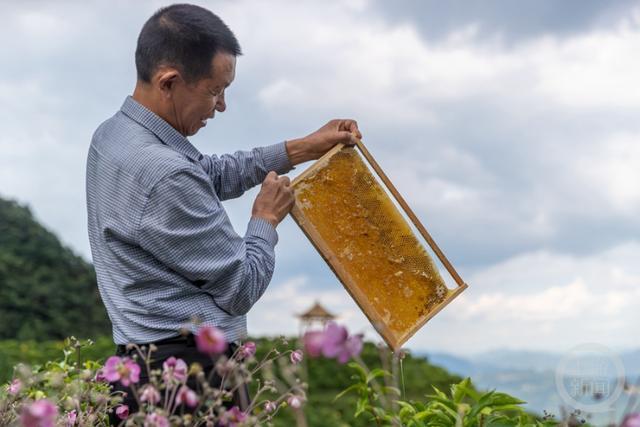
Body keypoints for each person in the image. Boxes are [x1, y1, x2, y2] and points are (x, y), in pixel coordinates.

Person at [85, 3, 361, 423]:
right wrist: (264, 220)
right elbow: (240, 288)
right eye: (215, 91)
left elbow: (205, 173)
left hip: (140, 370)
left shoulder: (114, 136)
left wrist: (302, 148)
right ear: (170, 82)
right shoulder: (165, 174)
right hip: (192, 379)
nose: (222, 105)